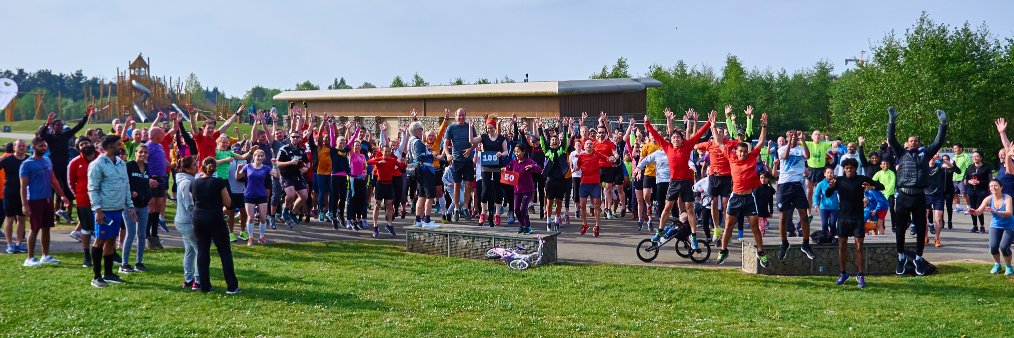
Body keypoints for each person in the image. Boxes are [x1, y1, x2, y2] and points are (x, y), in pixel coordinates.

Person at [885, 106, 947, 276]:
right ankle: (901, 258)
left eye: (916, 141)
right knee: (900, 229)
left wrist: (943, 124)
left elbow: (938, 142)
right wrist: (892, 121)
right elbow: (891, 138)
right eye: (911, 141)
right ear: (907, 143)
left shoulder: (925, 154)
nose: (913, 143)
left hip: (919, 195)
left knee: (921, 228)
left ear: (919, 143)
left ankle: (919, 259)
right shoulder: (901, 153)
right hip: (904, 196)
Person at [644, 108, 711, 249]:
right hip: (673, 182)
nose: (675, 139)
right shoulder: (667, 147)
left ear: (682, 139)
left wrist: (710, 122)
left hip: (686, 182)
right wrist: (647, 124)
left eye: (678, 138)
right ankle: (660, 233)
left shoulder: (687, 147)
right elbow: (656, 136)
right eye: (673, 138)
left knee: (690, 209)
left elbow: (698, 134)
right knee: (667, 207)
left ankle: (693, 237)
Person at [713, 112, 769, 267]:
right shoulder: (731, 157)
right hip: (735, 197)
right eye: (740, 151)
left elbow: (761, 142)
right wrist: (712, 126)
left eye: (745, 151)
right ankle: (724, 250)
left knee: (754, 227)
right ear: (736, 152)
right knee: (729, 225)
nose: (743, 153)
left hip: (749, 198)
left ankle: (761, 252)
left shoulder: (752, 157)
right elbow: (719, 142)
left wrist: (764, 125)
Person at [825, 158, 884, 288]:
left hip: (857, 218)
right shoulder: (839, 180)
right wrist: (831, 187)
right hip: (843, 218)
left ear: (855, 168)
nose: (849, 170)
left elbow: (881, 186)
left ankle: (861, 275)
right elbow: (828, 194)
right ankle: (843, 273)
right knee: (842, 246)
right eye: (846, 168)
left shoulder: (861, 179)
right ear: (844, 169)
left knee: (859, 247)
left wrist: (871, 187)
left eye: (851, 168)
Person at [86, 136, 136, 287]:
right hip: (104, 210)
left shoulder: (121, 163)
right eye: (117, 144)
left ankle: (108, 273)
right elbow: (92, 188)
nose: (120, 146)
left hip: (118, 209)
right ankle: (96, 276)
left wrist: (130, 205)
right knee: (100, 240)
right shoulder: (97, 164)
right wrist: (98, 210)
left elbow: (126, 185)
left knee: (112, 239)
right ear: (108, 146)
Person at [20, 137, 72, 267]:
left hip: (47, 198)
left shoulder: (47, 160)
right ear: (33, 147)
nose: (43, 148)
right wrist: (24, 204)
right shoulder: (27, 164)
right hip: (34, 200)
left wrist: (62, 196)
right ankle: (30, 258)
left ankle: (45, 256)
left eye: (44, 146)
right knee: (34, 228)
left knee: (47, 228)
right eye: (40, 146)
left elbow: (53, 180)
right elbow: (23, 186)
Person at [191, 157, 240, 294]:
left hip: (198, 218)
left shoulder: (194, 183)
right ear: (214, 168)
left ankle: (205, 286)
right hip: (215, 218)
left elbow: (194, 200)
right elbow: (228, 203)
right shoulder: (218, 182)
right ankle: (232, 286)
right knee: (224, 252)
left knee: (202, 252)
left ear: (202, 167)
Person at [37, 109, 91, 224]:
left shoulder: (66, 135)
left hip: (64, 166)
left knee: (67, 190)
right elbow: (41, 134)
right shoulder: (50, 137)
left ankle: (63, 210)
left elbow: (79, 126)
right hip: (54, 166)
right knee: (54, 190)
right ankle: (51, 215)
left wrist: (86, 115)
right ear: (53, 126)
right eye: (57, 125)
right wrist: (47, 123)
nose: (60, 126)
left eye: (61, 124)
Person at [776, 130, 815, 260]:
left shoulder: (800, 149)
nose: (793, 139)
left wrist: (802, 140)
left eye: (795, 138)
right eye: (790, 137)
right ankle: (784, 243)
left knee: (803, 214)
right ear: (787, 138)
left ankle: (805, 243)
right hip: (784, 185)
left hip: (797, 184)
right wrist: (789, 142)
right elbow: (785, 156)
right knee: (783, 216)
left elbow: (808, 156)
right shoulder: (781, 149)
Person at [120, 144, 155, 273]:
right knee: (130, 234)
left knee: (142, 234)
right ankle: (124, 264)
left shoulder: (146, 167)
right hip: (130, 205)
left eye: (145, 152)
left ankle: (139, 262)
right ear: (135, 153)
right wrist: (131, 193)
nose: (143, 155)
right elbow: (123, 183)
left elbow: (146, 184)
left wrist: (148, 196)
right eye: (141, 152)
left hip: (144, 205)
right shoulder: (129, 166)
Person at [968, 180, 1013, 276]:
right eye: (991, 186)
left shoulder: (1007, 198)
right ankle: (997, 264)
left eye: (995, 186)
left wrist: (995, 212)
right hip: (995, 225)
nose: (993, 188)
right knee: (993, 247)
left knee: (1004, 247)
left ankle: (1009, 266)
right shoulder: (988, 199)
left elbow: (1009, 213)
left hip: (1009, 226)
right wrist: (973, 211)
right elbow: (979, 211)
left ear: (1001, 187)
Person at [443, 108, 477, 223]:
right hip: (456, 160)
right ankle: (456, 209)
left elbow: (476, 142)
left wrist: (470, 149)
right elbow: (446, 144)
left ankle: (465, 207)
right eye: (459, 115)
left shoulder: (470, 127)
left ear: (465, 116)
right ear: (455, 116)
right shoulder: (451, 128)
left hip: (468, 160)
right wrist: (447, 155)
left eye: (463, 115)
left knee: (468, 184)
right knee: (456, 185)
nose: (461, 117)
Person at [68, 137, 97, 266]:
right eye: (82, 144)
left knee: (104, 228)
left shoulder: (102, 158)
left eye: (86, 143)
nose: (85, 145)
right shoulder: (74, 162)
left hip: (102, 200)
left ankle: (109, 253)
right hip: (84, 201)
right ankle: (87, 256)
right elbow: (70, 182)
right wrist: (78, 195)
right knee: (86, 229)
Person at [174, 156, 201, 290]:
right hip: (187, 222)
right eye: (194, 164)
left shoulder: (188, 180)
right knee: (200, 250)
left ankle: (188, 279)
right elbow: (189, 205)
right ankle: (198, 280)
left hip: (183, 221)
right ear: (186, 168)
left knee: (190, 250)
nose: (197, 166)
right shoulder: (186, 183)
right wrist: (199, 217)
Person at [367, 144, 405, 237]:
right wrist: (378, 163)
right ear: (382, 152)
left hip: (389, 184)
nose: (387, 153)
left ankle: (390, 225)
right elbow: (368, 162)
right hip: (380, 184)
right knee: (377, 204)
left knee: (389, 204)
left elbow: (402, 167)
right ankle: (375, 226)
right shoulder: (379, 159)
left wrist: (404, 162)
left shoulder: (392, 160)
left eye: (389, 151)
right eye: (385, 151)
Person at [236, 149, 272, 245]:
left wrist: (275, 165)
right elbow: (238, 177)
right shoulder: (248, 167)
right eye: (257, 156)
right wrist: (237, 170)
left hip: (261, 195)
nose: (259, 157)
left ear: (263, 158)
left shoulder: (266, 168)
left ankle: (261, 237)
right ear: (254, 157)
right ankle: (250, 238)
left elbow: (276, 174)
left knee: (263, 218)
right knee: (251, 217)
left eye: (261, 156)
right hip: (249, 195)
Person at [576, 140, 610, 237]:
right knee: (582, 205)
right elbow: (578, 166)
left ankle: (597, 226)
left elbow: (607, 159)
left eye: (591, 144)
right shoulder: (581, 156)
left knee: (597, 205)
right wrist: (574, 169)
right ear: (584, 146)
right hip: (584, 183)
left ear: (592, 146)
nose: (589, 145)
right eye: (587, 144)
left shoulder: (597, 154)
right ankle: (585, 224)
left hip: (595, 183)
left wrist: (611, 158)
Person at [275, 130, 310, 227]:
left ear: (300, 139)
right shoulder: (284, 149)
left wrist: (306, 168)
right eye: (293, 137)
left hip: (297, 175)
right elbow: (277, 163)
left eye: (297, 137)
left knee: (304, 196)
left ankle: (293, 212)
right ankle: (285, 209)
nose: (295, 138)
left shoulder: (301, 150)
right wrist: (290, 162)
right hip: (286, 175)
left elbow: (307, 163)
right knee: (291, 195)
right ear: (289, 138)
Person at [505, 144, 542, 234]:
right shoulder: (514, 162)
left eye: (518, 151)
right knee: (516, 209)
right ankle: (522, 225)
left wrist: (532, 167)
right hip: (517, 189)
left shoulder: (529, 161)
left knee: (523, 209)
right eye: (515, 152)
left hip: (527, 189)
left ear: (523, 152)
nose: (516, 153)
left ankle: (528, 226)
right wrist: (504, 169)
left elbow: (539, 169)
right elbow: (507, 168)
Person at [1, 140, 28, 255]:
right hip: (9, 193)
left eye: (23, 146)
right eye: (19, 146)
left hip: (24, 194)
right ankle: (9, 244)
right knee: (10, 218)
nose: (21, 148)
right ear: (14, 147)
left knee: (21, 219)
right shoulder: (7, 160)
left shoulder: (29, 160)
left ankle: (19, 243)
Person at [928, 154, 958, 247]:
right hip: (926, 194)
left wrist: (942, 160)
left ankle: (937, 239)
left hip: (938, 195)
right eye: (930, 157)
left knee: (938, 218)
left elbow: (951, 166)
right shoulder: (923, 166)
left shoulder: (940, 166)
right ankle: (925, 237)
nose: (932, 159)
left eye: (933, 157)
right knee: (924, 218)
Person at [963, 150, 992, 233]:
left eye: (976, 156)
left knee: (979, 207)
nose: (974, 158)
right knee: (972, 208)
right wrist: (969, 181)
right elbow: (967, 177)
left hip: (981, 190)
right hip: (971, 190)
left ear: (981, 157)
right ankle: (974, 226)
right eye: (973, 156)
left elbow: (989, 180)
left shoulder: (986, 168)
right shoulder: (970, 167)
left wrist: (980, 182)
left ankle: (982, 226)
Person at [813, 168, 840, 237]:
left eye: (831, 172)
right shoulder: (821, 184)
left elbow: (842, 193)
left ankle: (833, 238)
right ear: (825, 174)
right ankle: (825, 238)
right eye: (828, 172)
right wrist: (816, 204)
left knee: (833, 224)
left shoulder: (836, 183)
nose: (829, 174)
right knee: (824, 224)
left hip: (835, 207)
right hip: (824, 207)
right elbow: (816, 195)